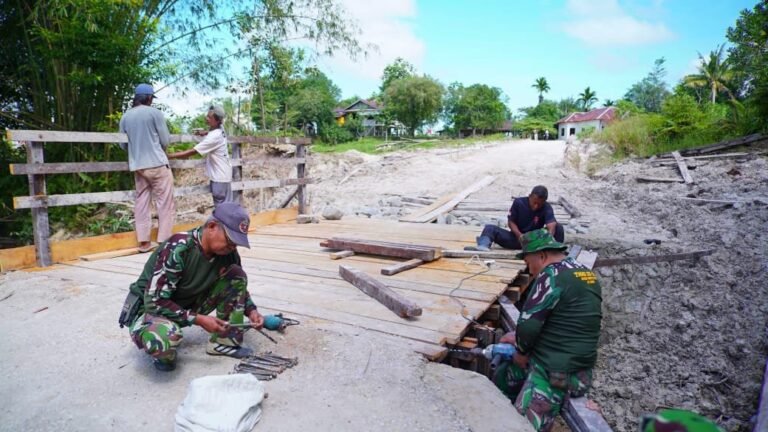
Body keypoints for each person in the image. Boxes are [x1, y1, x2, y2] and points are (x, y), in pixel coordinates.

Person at [119, 202, 264, 371]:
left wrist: (252, 311)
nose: (233, 246)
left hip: (185, 306)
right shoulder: (179, 248)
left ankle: (223, 342)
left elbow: (238, 287)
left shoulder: (228, 253)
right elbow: (154, 303)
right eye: (230, 240)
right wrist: (199, 319)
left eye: (236, 243)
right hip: (148, 311)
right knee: (165, 340)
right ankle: (162, 351)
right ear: (211, 227)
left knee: (236, 274)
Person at [494, 228, 602, 431]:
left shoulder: (550, 276)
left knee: (520, 425)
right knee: (506, 375)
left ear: (541, 256)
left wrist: (521, 350)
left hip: (554, 373)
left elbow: (529, 326)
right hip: (582, 374)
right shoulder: (585, 273)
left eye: (528, 263)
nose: (530, 271)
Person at [119, 83, 175, 253]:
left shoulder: (125, 117)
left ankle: (144, 242)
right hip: (157, 163)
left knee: (142, 202)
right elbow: (165, 140)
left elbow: (122, 144)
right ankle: (163, 241)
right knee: (165, 202)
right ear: (149, 98)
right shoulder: (155, 113)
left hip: (138, 166)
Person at [465, 185, 563, 252]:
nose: (536, 206)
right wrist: (519, 235)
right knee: (490, 228)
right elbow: (511, 221)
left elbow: (551, 224)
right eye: (534, 202)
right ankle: (482, 246)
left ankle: (556, 251)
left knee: (559, 227)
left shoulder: (547, 207)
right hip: (517, 239)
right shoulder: (519, 203)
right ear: (529, 196)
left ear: (544, 201)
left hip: (534, 242)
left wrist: (547, 239)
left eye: (539, 204)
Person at [168, 105, 233, 206]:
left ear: (217, 120)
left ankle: (224, 221)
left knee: (221, 208)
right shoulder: (221, 129)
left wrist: (169, 156)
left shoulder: (213, 137)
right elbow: (214, 131)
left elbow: (193, 151)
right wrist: (206, 132)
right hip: (225, 174)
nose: (206, 118)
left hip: (219, 178)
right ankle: (229, 221)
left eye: (209, 117)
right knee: (227, 205)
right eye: (207, 115)